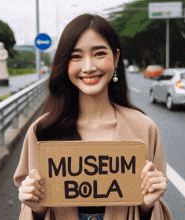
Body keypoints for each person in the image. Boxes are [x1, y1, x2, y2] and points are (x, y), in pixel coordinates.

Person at [14, 14, 172, 220]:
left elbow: (153, 208)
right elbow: (33, 209)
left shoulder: (144, 128)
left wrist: (147, 206)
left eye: (99, 53)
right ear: (65, 63)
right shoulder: (42, 130)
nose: (88, 67)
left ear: (116, 58)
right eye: (76, 56)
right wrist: (36, 207)